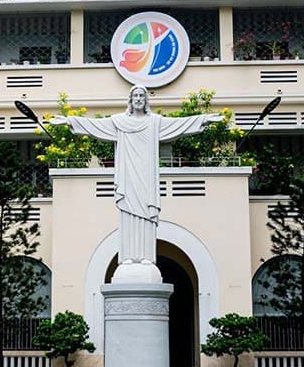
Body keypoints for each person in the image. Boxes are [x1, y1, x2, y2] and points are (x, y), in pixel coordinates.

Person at [48, 86, 222, 275]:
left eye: (141, 96)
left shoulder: (154, 122)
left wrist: (204, 119)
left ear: (146, 100)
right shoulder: (119, 122)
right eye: (135, 96)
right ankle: (127, 258)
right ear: (130, 100)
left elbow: (179, 124)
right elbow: (95, 125)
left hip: (147, 177)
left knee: (146, 215)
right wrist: (69, 120)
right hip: (128, 177)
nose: (138, 99)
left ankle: (147, 257)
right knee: (128, 216)